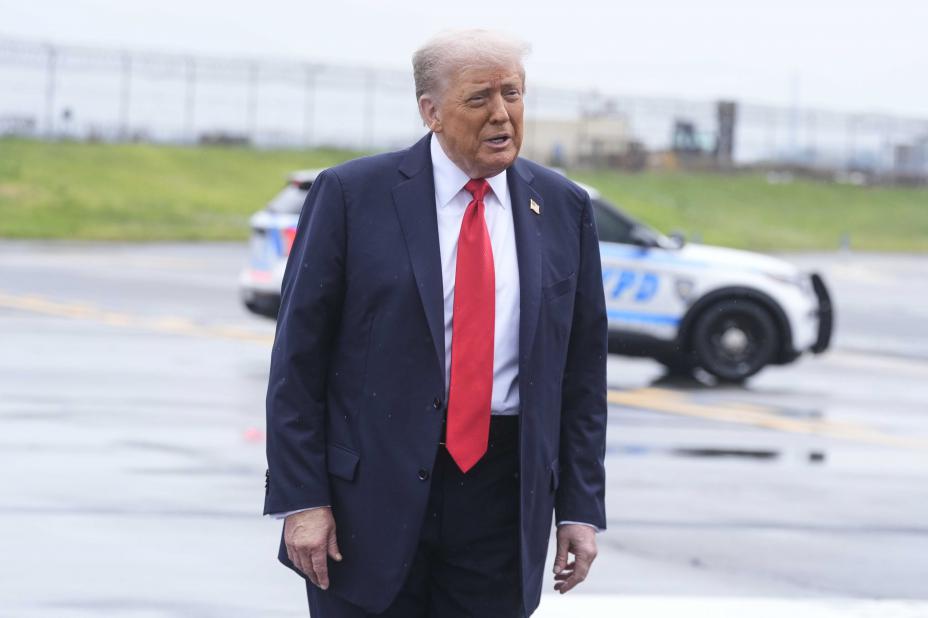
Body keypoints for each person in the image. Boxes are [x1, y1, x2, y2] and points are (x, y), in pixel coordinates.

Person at [263, 29, 607, 617]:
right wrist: (302, 499)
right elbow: (297, 362)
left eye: (513, 93)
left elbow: (581, 374)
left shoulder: (563, 207)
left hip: (503, 499)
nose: (501, 114)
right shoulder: (351, 195)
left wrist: (579, 507)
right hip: (368, 500)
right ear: (431, 112)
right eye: (479, 98)